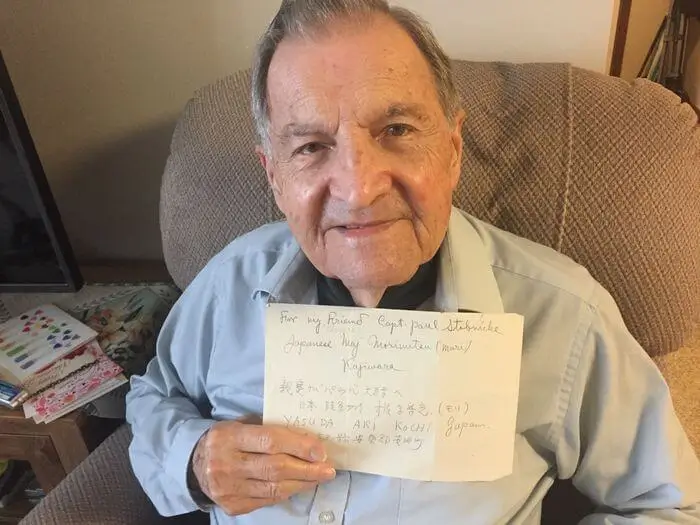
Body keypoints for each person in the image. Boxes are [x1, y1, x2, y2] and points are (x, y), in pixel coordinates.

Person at [125, 0, 700, 523]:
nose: (357, 188)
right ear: (274, 175)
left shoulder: (564, 316)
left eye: (396, 129)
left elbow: (671, 504)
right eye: (310, 147)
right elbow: (155, 393)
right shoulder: (231, 281)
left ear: (452, 149)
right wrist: (195, 460)